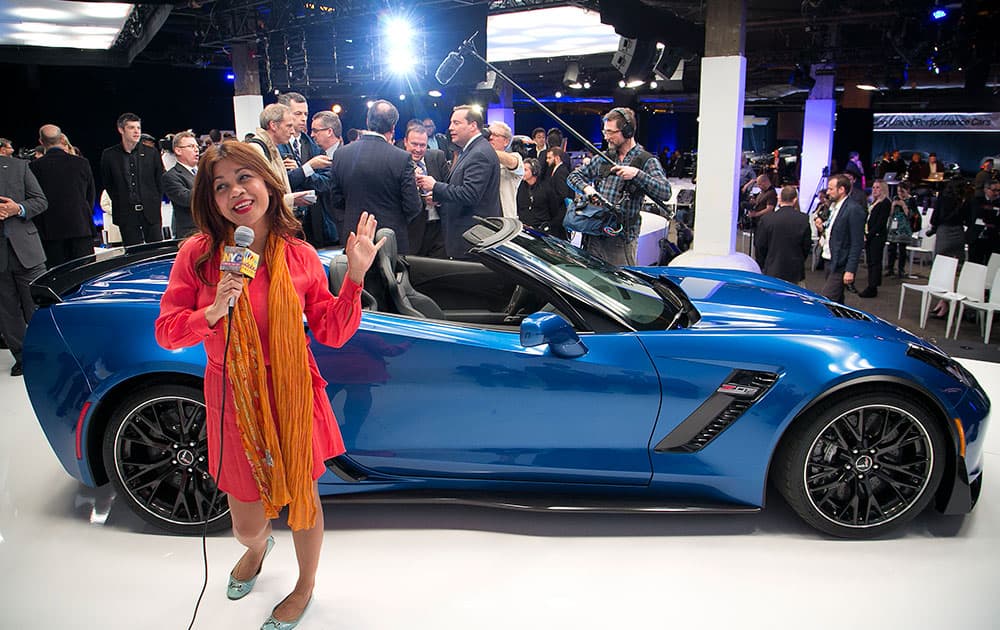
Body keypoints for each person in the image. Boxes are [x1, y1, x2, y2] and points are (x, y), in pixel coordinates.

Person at [154, 141, 384, 630]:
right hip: (233, 400)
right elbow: (167, 331)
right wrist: (211, 311)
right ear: (210, 200)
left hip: (294, 394)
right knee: (246, 523)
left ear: (267, 183)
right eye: (221, 185)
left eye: (245, 178)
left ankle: (304, 586)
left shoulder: (299, 255)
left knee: (304, 498)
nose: (236, 191)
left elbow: (331, 331)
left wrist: (356, 277)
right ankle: (258, 549)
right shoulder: (198, 256)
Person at [566, 107, 670, 266]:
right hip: (594, 235)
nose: (606, 137)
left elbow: (665, 191)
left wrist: (636, 174)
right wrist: (588, 190)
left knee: (620, 289)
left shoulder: (645, 160)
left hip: (621, 242)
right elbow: (573, 177)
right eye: (605, 132)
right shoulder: (604, 158)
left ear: (627, 132)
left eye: (610, 132)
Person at [329, 99, 422, 254]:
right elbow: (413, 205)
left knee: (355, 279)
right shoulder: (402, 158)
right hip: (390, 242)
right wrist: (395, 221)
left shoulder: (341, 155)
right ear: (393, 127)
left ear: (367, 120)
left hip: (354, 238)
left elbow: (336, 201)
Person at [415, 105, 501, 260]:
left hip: (472, 240)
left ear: (473, 125)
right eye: (450, 123)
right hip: (466, 238)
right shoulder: (469, 151)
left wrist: (435, 186)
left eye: (456, 123)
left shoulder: (479, 153)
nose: (450, 128)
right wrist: (440, 198)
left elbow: (470, 194)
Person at [0, 148, 47, 376]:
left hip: (27, 250)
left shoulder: (18, 166)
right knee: (7, 311)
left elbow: (40, 201)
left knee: (38, 306)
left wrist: (17, 208)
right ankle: (22, 357)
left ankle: (49, 352)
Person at [29, 124, 96, 267]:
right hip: (81, 228)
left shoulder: (34, 167)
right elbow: (90, 196)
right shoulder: (82, 163)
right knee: (85, 274)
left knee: (59, 279)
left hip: (51, 234)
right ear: (61, 139)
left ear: (41, 142)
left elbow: (35, 200)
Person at [100, 112, 165, 246]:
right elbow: (109, 183)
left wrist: (153, 201)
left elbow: (159, 181)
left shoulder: (151, 153)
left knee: (156, 251)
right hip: (126, 213)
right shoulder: (110, 155)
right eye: (131, 128)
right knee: (133, 254)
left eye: (138, 128)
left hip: (150, 212)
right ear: (121, 130)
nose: (136, 131)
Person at [403, 124, 449, 257]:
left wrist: (439, 197)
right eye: (414, 144)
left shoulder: (437, 157)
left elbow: (450, 188)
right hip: (412, 231)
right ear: (406, 142)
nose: (418, 149)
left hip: (439, 229)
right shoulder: (397, 163)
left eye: (422, 145)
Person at [820, 173, 866, 304]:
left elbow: (857, 243)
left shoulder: (853, 209)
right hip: (829, 259)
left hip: (841, 264)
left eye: (831, 189)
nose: (828, 192)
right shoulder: (833, 207)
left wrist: (850, 270)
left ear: (841, 190)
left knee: (826, 301)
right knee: (837, 302)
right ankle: (842, 323)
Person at [754, 186, 812, 285]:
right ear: (795, 200)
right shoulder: (803, 219)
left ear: (779, 199)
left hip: (772, 268)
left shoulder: (767, 219)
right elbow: (806, 246)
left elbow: (760, 245)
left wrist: (763, 264)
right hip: (795, 269)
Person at [162, 131, 200, 239]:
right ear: (178, 150)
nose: (196, 149)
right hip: (192, 234)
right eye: (191, 146)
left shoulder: (205, 172)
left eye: (197, 146)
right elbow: (187, 199)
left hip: (215, 229)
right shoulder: (171, 176)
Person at [858, 179, 891, 298]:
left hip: (876, 236)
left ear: (883, 189)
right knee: (871, 261)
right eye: (873, 187)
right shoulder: (874, 202)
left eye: (877, 187)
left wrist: (868, 235)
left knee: (875, 262)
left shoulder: (885, 203)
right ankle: (871, 284)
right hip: (870, 234)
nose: (875, 190)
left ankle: (873, 287)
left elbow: (880, 223)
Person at [517, 158, 565, 239]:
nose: (522, 172)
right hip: (524, 229)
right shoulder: (520, 187)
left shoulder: (546, 188)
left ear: (534, 171)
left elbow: (554, 210)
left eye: (525, 170)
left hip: (541, 230)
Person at [486, 121, 524, 219]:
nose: (490, 138)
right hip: (482, 220)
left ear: (506, 141)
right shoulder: (478, 160)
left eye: (495, 135)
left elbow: (512, 162)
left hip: (504, 221)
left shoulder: (514, 157)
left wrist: (484, 150)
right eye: (489, 134)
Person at [885, 181, 919, 277]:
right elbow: (890, 214)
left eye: (902, 191)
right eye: (898, 191)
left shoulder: (911, 200)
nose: (900, 194)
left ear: (907, 190)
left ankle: (901, 270)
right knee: (892, 248)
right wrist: (893, 205)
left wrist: (903, 205)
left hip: (904, 227)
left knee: (902, 249)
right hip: (894, 226)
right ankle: (890, 268)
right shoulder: (895, 198)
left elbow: (912, 215)